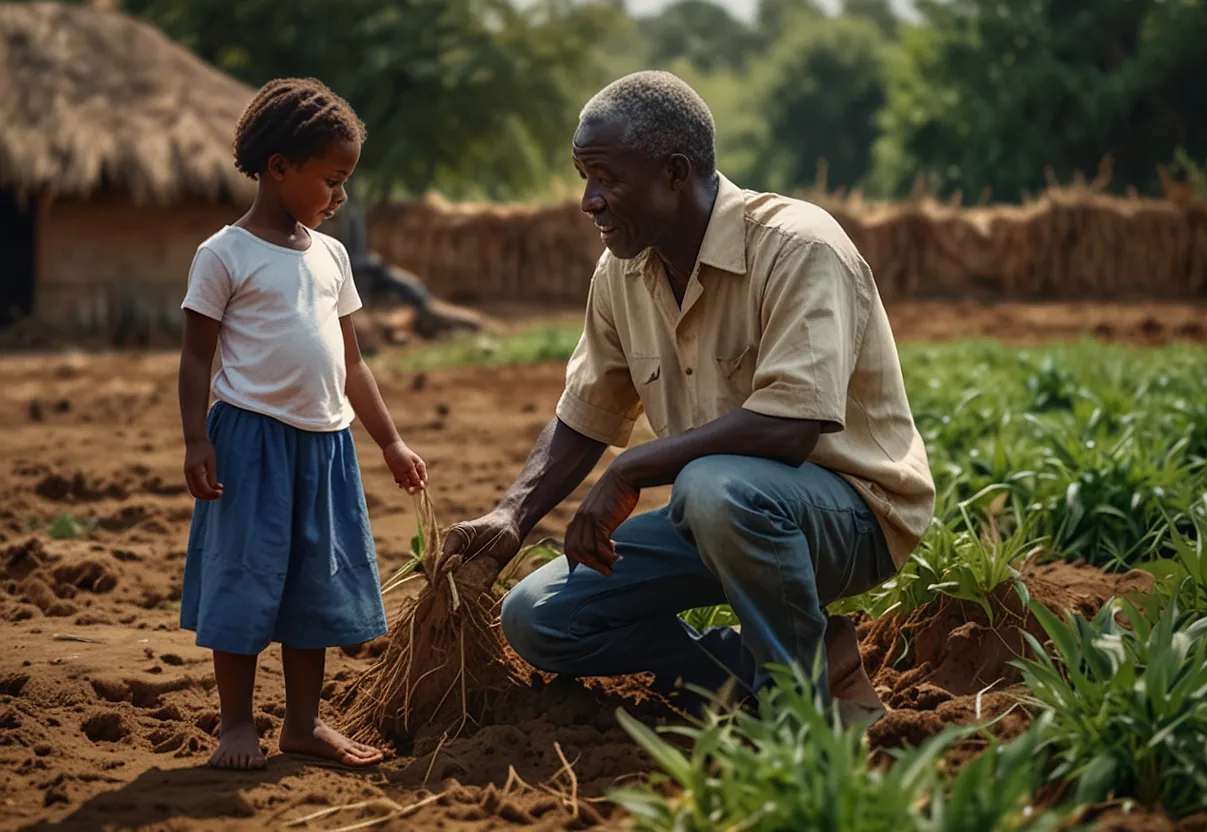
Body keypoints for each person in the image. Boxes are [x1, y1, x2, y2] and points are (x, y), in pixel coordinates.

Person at [441, 70, 935, 725]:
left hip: (849, 516)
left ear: (676, 173)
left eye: (606, 178)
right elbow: (587, 411)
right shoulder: (621, 273)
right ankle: (769, 667)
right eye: (582, 176)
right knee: (539, 618)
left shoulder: (798, 246)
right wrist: (511, 515)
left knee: (713, 485)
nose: (588, 200)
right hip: (720, 518)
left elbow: (790, 428)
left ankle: (802, 716)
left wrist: (633, 467)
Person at [177, 77, 429, 770]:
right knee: (245, 576)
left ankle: (302, 723)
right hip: (249, 442)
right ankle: (235, 723)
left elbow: (354, 364)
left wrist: (391, 440)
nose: (340, 198)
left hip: (326, 447)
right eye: (332, 180)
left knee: (313, 584)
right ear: (279, 167)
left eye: (347, 182)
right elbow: (197, 356)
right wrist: (197, 439)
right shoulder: (223, 254)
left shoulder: (332, 256)